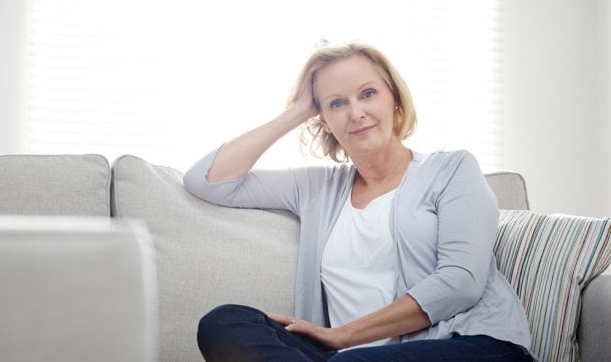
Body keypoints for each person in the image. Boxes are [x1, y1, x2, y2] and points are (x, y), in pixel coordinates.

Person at [182, 41, 533, 362]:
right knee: (225, 322)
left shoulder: (452, 169)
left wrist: (342, 337)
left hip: (474, 347)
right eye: (337, 103)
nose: (356, 112)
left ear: (394, 99)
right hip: (346, 358)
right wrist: (297, 111)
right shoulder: (317, 188)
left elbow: (461, 282)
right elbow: (208, 181)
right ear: (324, 120)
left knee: (351, 361)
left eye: (367, 94)